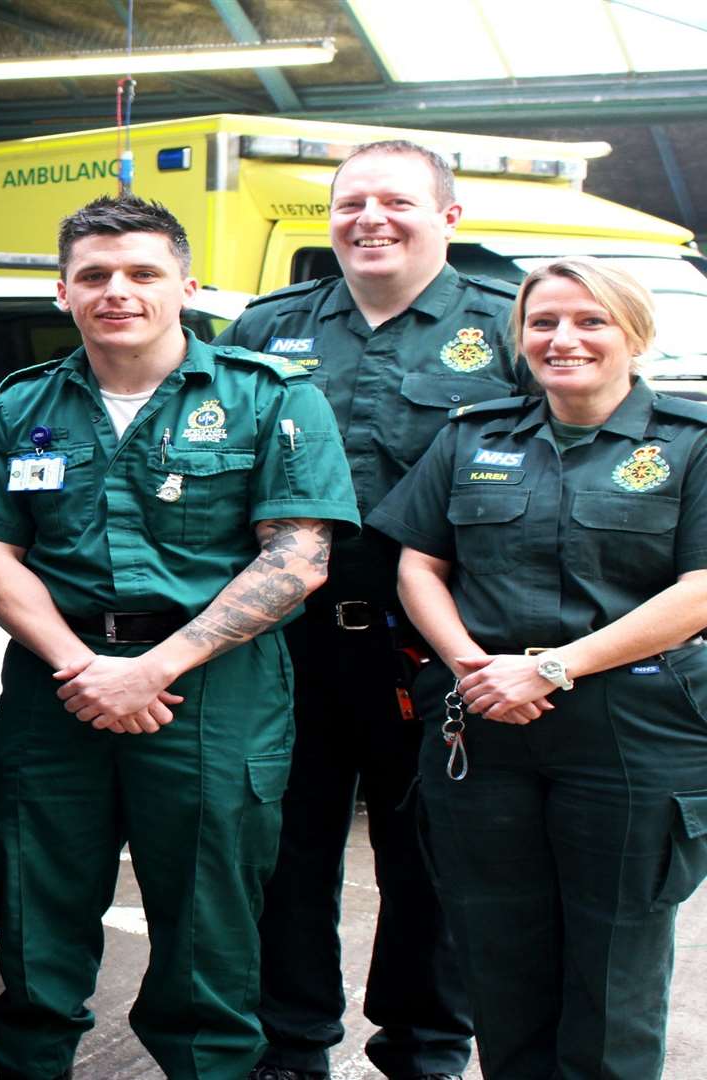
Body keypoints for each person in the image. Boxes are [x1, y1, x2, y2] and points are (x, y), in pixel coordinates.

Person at [0, 194, 359, 1079]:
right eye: (94, 274)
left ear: (184, 284)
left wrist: (153, 669)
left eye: (143, 272)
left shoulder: (270, 397)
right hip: (57, 689)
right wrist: (85, 667)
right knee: (36, 905)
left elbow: (298, 559)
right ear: (62, 291)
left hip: (214, 688)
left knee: (210, 919)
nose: (118, 291)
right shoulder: (27, 404)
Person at [213, 139, 526, 1080]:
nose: (370, 220)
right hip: (287, 643)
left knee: (430, 859)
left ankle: (427, 1049)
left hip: (430, 647)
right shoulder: (267, 329)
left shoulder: (508, 328)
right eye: (351, 204)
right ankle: (290, 1046)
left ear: (449, 219)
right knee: (285, 852)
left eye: (397, 202)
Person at [368, 257, 707, 1078]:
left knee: (614, 962)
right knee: (499, 950)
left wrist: (550, 669)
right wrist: (473, 667)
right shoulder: (472, 435)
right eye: (544, 322)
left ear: (636, 334)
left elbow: (700, 589)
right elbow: (419, 565)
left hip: (631, 731)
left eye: (591, 321)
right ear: (519, 338)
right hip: (486, 727)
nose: (565, 339)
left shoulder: (692, 445)